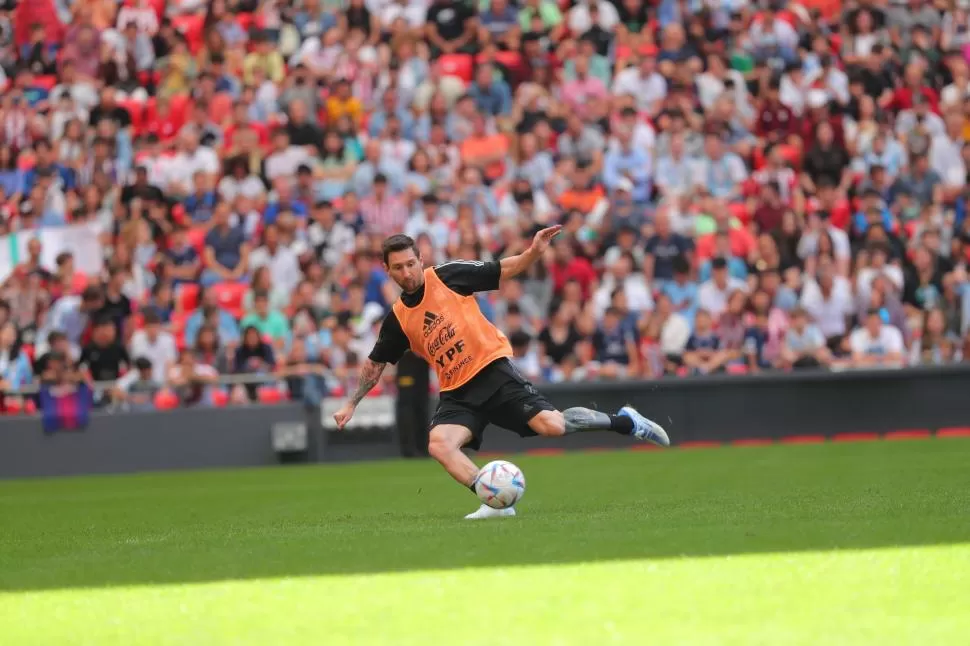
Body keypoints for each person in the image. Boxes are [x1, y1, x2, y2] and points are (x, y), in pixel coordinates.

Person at [333, 229, 669, 520]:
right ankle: (494, 502)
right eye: (397, 268)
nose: (406, 272)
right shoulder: (397, 320)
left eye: (410, 263)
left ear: (420, 259)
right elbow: (374, 364)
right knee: (439, 445)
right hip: (456, 392)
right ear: (386, 271)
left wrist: (532, 252)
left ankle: (626, 421)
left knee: (553, 426)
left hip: (492, 370)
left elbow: (501, 269)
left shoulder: (447, 276)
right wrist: (351, 404)